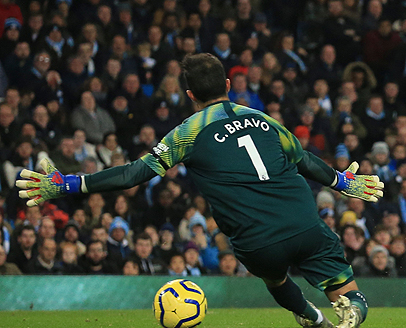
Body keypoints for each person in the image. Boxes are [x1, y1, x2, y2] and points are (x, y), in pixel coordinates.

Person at [17, 53, 383, 328]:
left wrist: (69, 182)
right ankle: (352, 309)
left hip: (258, 242)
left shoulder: (187, 133)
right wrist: (343, 182)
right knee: (346, 289)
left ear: (190, 93)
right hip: (305, 223)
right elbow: (303, 160)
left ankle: (313, 319)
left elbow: (133, 175)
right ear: (227, 85)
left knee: (275, 278)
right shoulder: (264, 119)